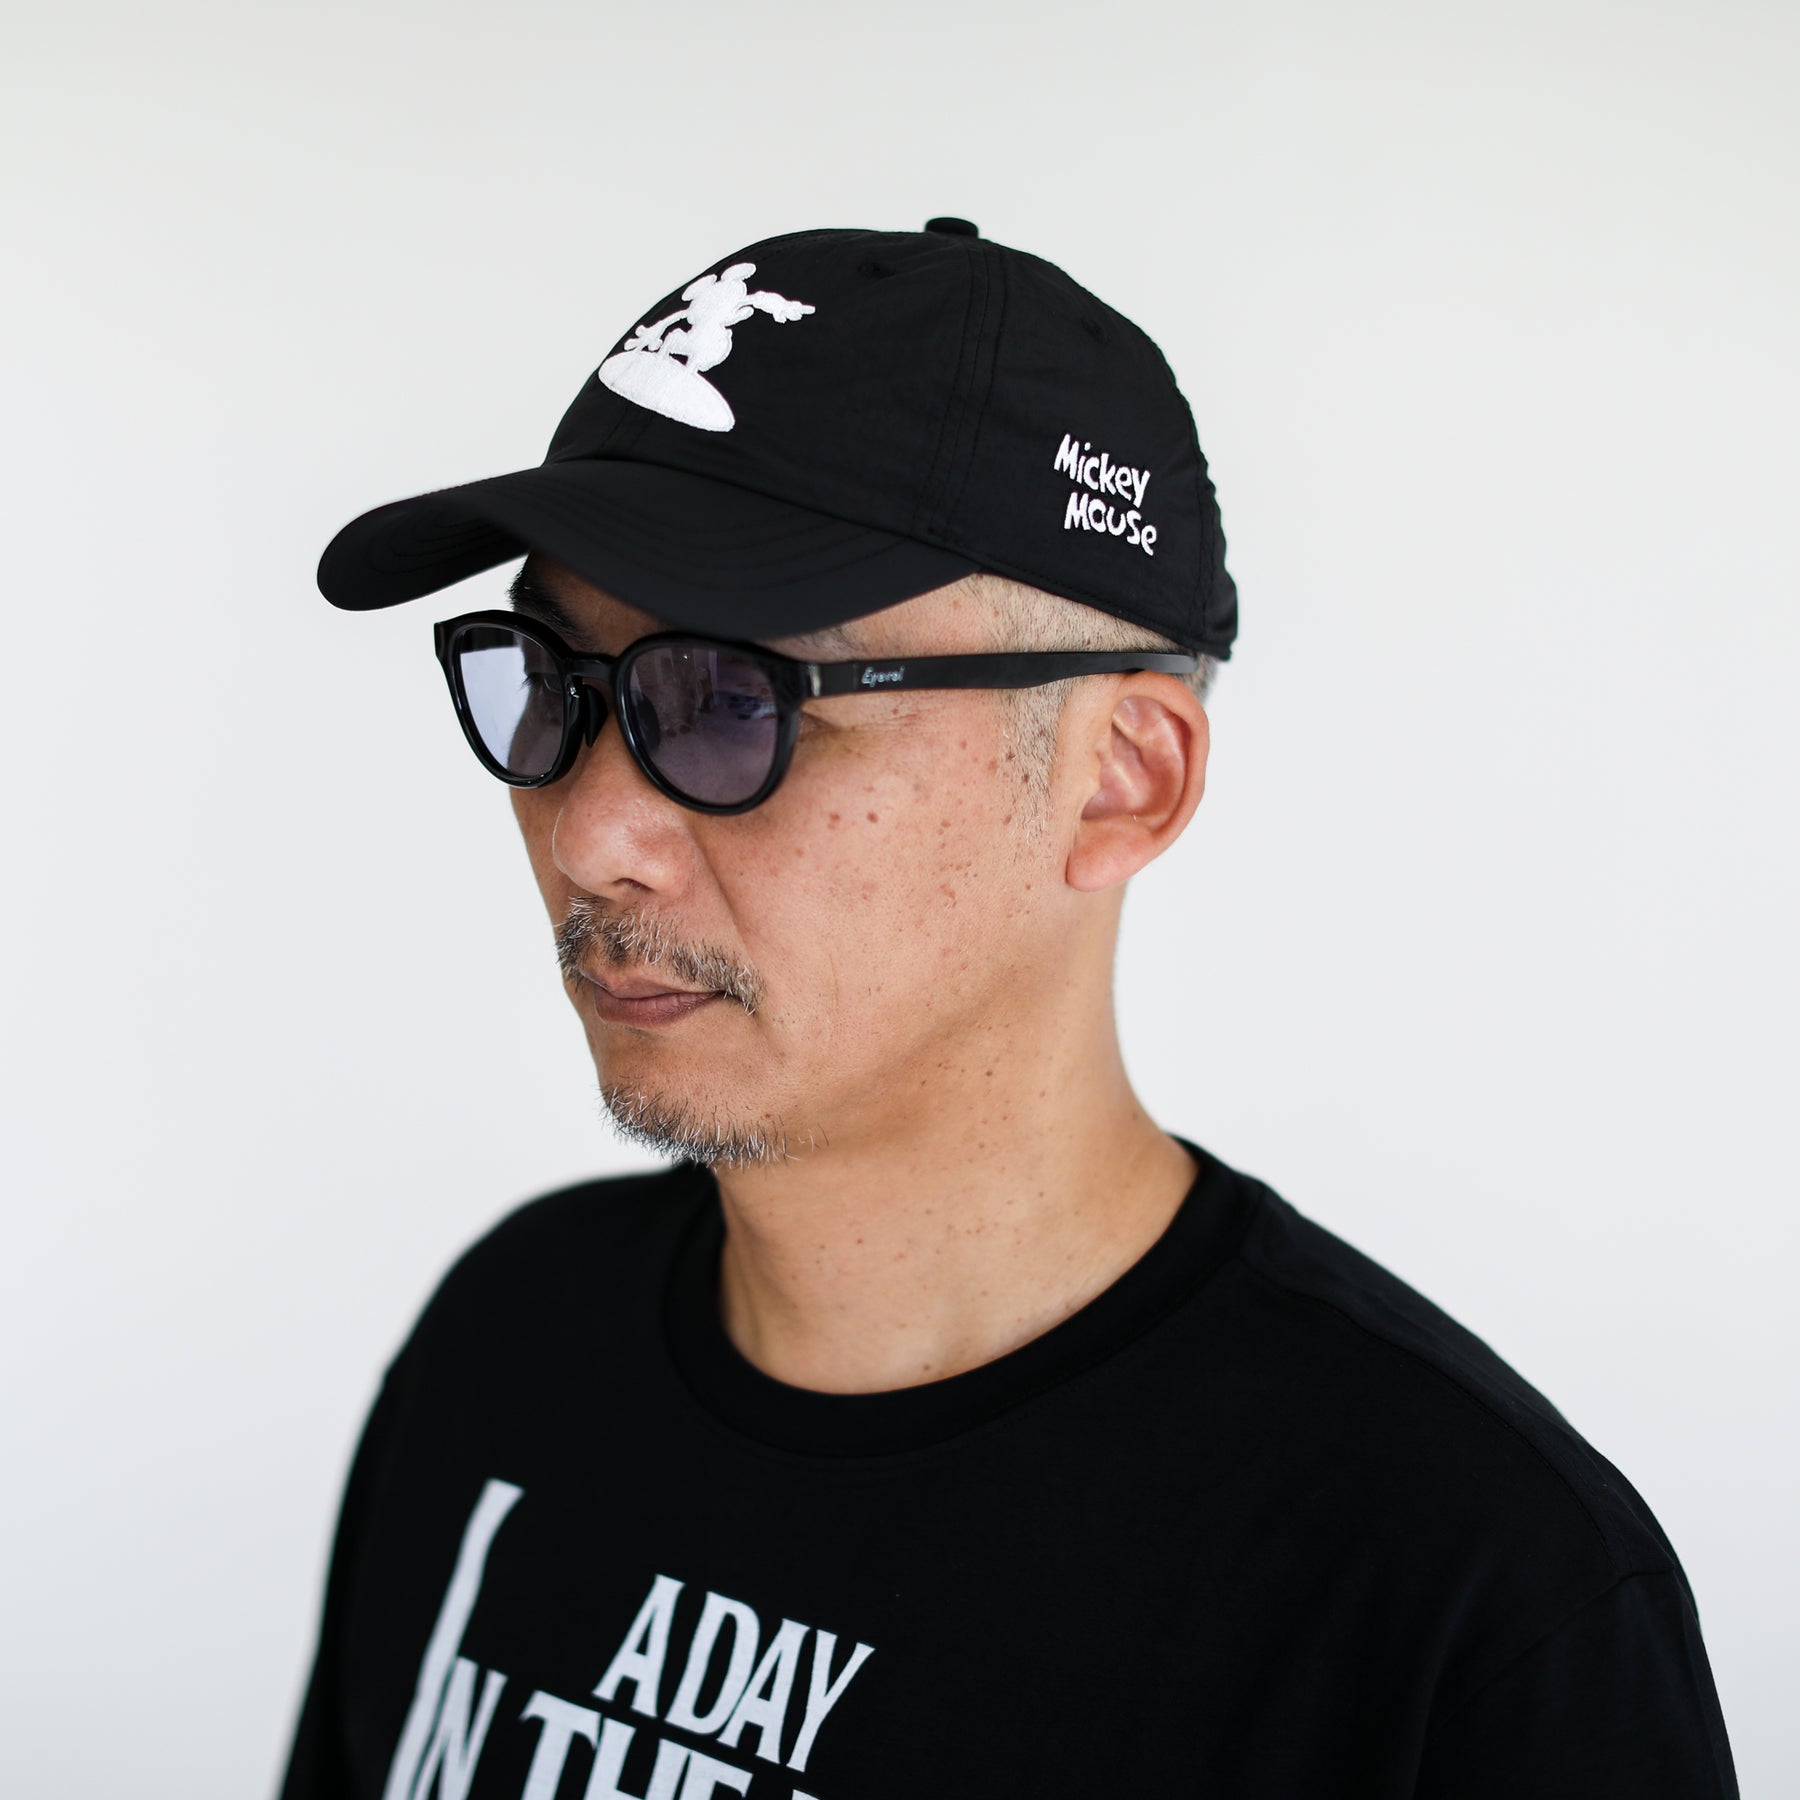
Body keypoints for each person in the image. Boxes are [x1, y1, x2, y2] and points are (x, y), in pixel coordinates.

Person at [283, 218, 1738, 1798]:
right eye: (550, 681)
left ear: (1120, 780)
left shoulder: (1461, 1599)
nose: (590, 834)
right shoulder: (511, 1347)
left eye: (730, 701)